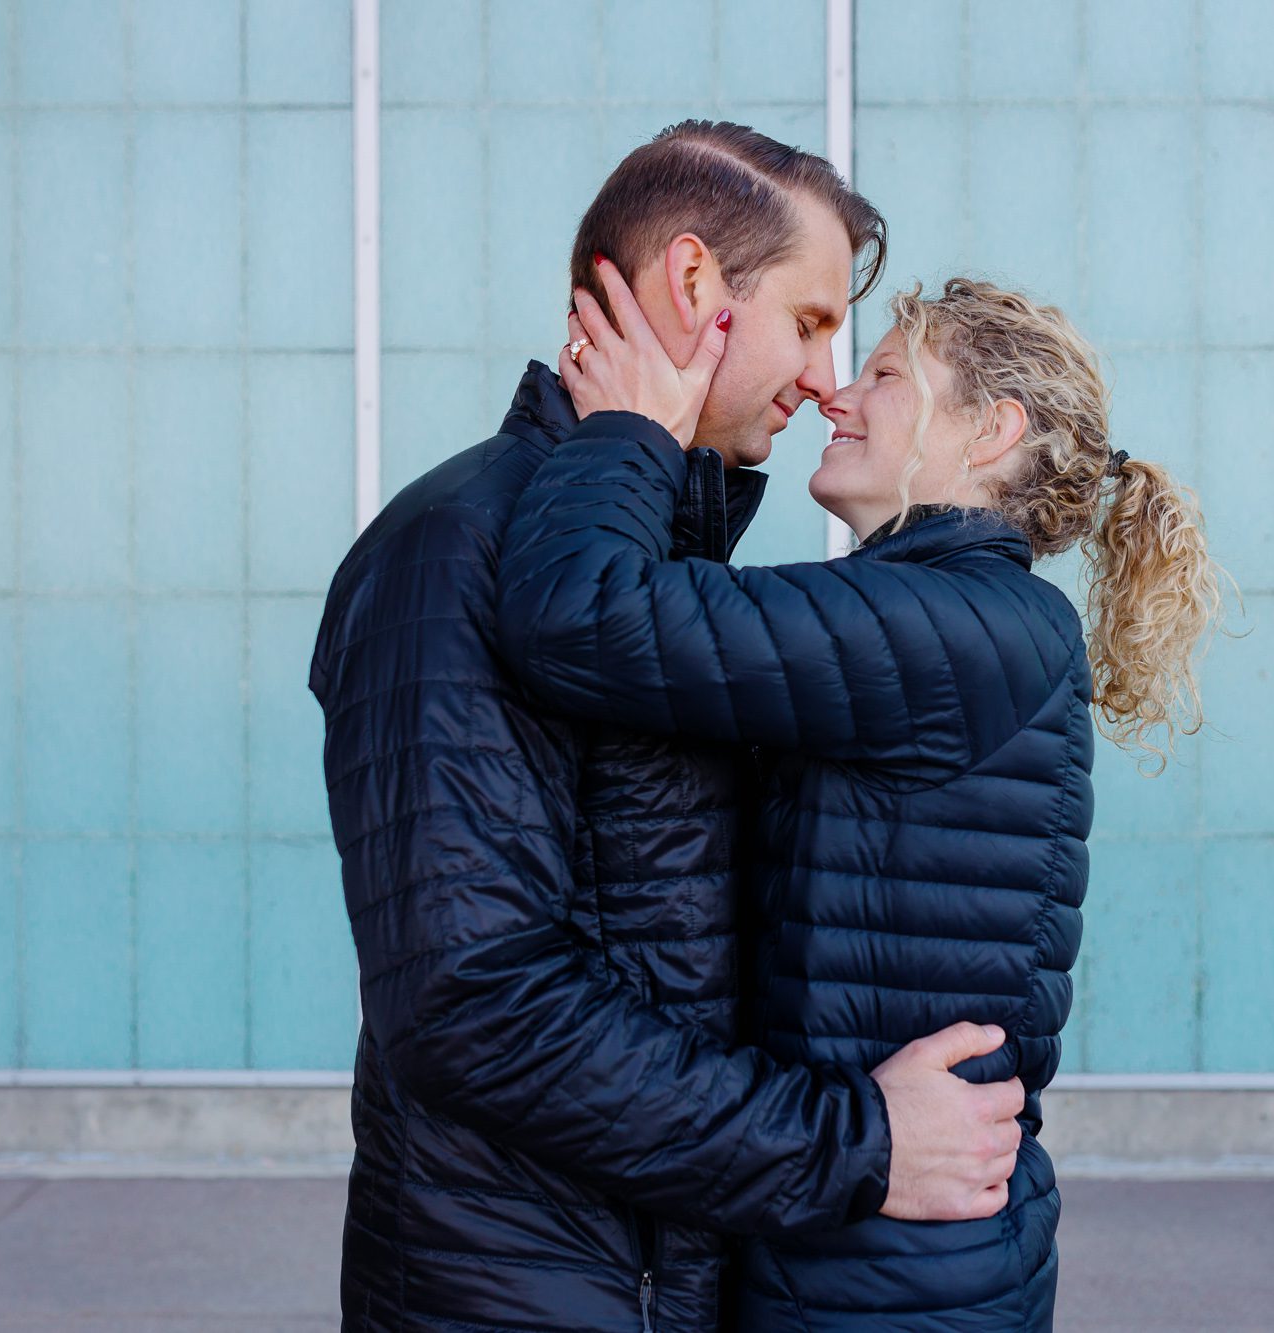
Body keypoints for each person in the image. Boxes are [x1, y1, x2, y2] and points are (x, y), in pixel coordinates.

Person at [308, 122, 1025, 1333]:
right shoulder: (457, 546)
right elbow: (474, 1003)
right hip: (527, 1295)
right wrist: (852, 1142)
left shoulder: (660, 577)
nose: (820, 379)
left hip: (656, 1279)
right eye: (806, 323)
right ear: (694, 285)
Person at [494, 271, 1225, 1329]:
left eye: (882, 372)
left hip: (885, 1267)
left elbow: (582, 617)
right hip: (886, 1242)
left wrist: (625, 435)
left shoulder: (949, 624)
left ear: (989, 431)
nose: (835, 396)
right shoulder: (957, 619)